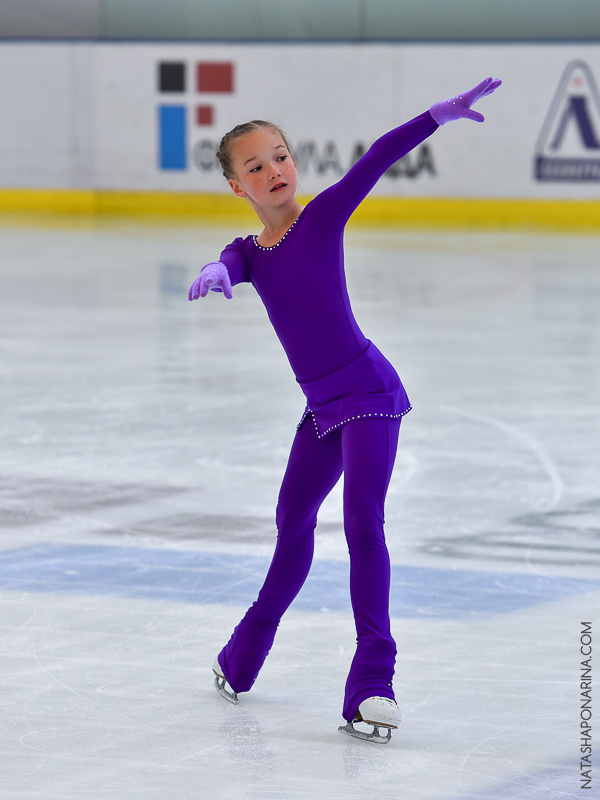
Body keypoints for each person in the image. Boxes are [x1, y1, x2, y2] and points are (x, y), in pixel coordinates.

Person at [188, 77, 501, 743]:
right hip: (323, 407)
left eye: (280, 156)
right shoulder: (248, 253)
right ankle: (241, 654)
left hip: (367, 393)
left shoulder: (322, 216)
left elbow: (376, 160)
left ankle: (372, 685)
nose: (274, 170)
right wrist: (218, 271)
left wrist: (433, 118)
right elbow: (235, 259)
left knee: (362, 519)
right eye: (255, 166)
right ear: (237, 187)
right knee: (292, 523)